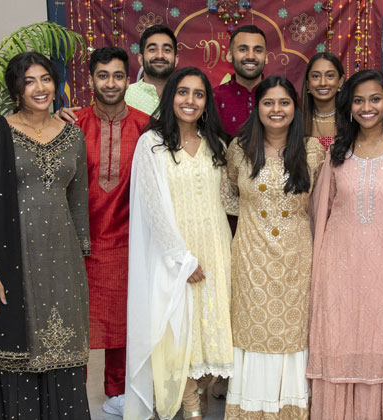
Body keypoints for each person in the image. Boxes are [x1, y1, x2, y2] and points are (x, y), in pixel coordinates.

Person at [0, 52, 91, 419]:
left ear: (57, 84)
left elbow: (78, 202)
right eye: (29, 81)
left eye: (46, 79)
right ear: (16, 90)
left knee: (62, 350)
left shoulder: (73, 135)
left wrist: (80, 260)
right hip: (11, 261)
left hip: (61, 263)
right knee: (19, 353)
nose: (40, 88)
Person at [308, 69, 383, 420]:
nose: (367, 107)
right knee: (340, 338)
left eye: (375, 99)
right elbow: (321, 208)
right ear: (349, 104)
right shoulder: (339, 151)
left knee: (382, 340)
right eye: (359, 100)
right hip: (340, 262)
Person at [124, 67, 234, 420]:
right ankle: (190, 410)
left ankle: (200, 399)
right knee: (178, 333)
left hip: (217, 248)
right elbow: (152, 208)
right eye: (183, 92)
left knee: (210, 330)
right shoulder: (152, 143)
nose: (190, 101)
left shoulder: (217, 143)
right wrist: (181, 259)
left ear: (207, 102)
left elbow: (230, 200)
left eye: (198, 94)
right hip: (174, 255)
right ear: (170, 96)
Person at [225, 76, 326, 420]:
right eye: (268, 102)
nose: (276, 109)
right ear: (257, 108)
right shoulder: (239, 148)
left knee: (292, 335)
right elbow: (230, 198)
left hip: (297, 258)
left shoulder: (312, 150)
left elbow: (321, 205)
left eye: (284, 102)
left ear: (295, 107)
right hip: (251, 257)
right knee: (252, 333)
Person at [70, 46, 150, 416]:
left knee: (124, 317)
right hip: (79, 242)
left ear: (127, 79)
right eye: (103, 75)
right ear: (90, 80)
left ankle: (117, 393)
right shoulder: (72, 124)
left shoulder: (146, 125)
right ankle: (71, 392)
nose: (111, 83)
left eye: (118, 75)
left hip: (128, 241)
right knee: (77, 320)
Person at [213, 25, 268, 138]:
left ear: (266, 57)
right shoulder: (213, 98)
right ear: (229, 55)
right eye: (243, 49)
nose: (251, 56)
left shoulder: (282, 97)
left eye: (258, 50)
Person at [125, 24, 179, 116]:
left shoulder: (186, 96)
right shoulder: (124, 96)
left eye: (166, 50)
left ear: (176, 60)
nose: (160, 56)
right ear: (140, 59)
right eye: (152, 49)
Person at [300, 52, 345, 150]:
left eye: (330, 76)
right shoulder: (296, 120)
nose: (323, 83)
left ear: (340, 81)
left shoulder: (350, 119)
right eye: (316, 76)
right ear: (307, 83)